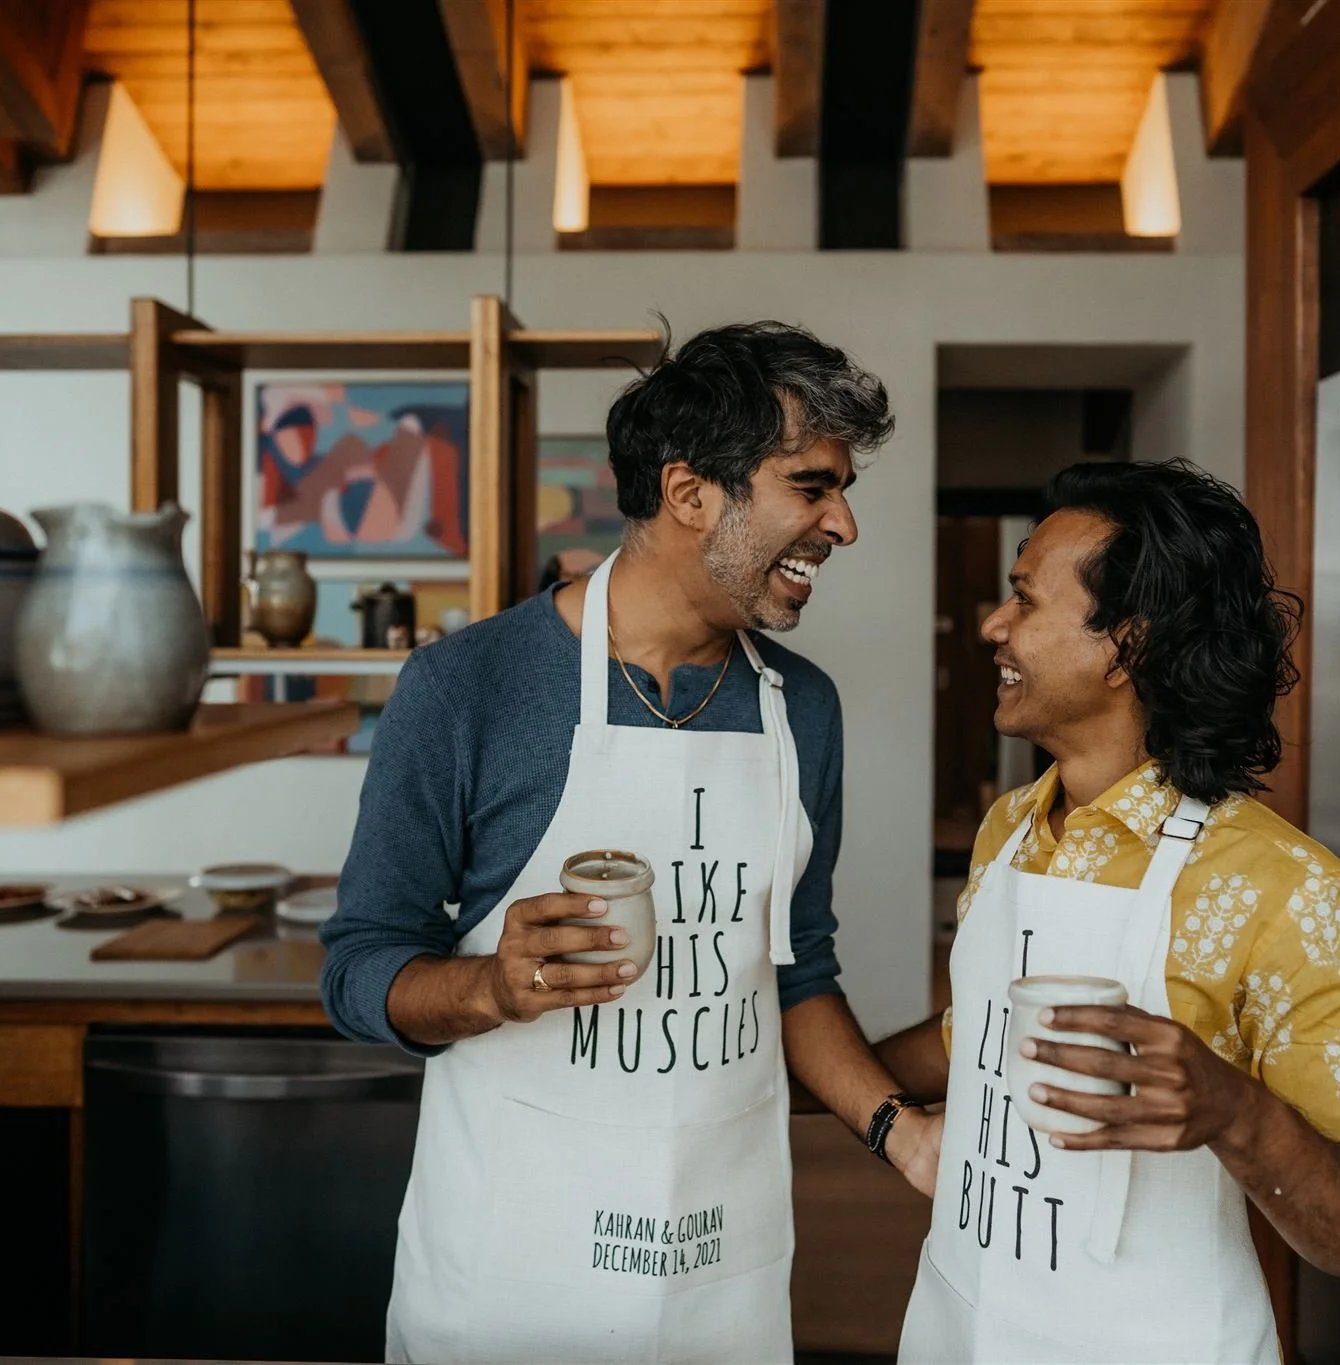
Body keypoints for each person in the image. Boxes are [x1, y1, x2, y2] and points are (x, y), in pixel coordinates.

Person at [320, 322, 942, 1365]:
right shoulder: (466, 688)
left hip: (718, 1265)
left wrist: (898, 1130)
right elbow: (356, 967)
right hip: (509, 1270)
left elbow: (798, 973)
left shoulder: (804, 712)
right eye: (811, 485)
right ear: (690, 491)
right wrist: (490, 990)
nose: (841, 524)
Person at [882, 460, 1340, 1365]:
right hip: (958, 1323)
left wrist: (1239, 1115)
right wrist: (796, 1072)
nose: (993, 624)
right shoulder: (1013, 827)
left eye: (1024, 599)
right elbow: (978, 1037)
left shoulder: (1286, 891)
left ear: (1126, 646)